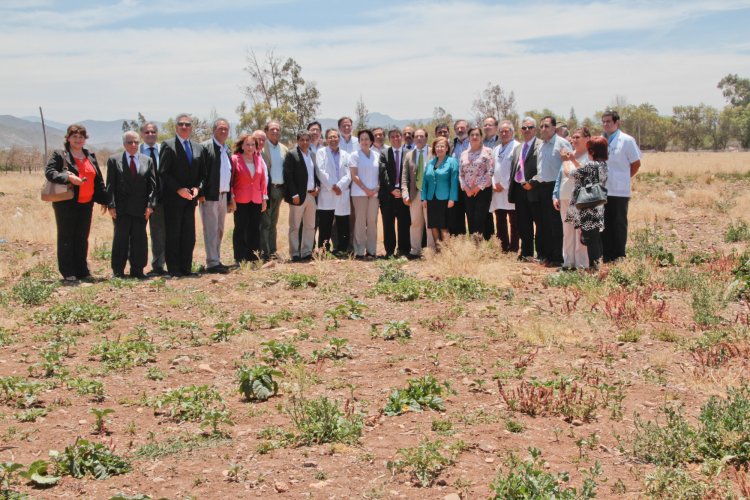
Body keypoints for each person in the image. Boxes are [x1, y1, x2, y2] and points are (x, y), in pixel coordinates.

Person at [45, 124, 110, 281]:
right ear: (68, 138)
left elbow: (98, 180)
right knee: (66, 237)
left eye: (81, 136)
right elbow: (50, 172)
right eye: (75, 136)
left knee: (82, 237)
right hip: (67, 203)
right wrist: (68, 177)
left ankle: (82, 271)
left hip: (86, 203)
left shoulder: (89, 155)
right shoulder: (61, 155)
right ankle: (68, 272)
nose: (78, 139)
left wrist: (104, 200)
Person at [160, 113, 206, 277]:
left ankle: (186, 268)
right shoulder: (168, 145)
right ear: (176, 127)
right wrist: (178, 189)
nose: (184, 127)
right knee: (173, 234)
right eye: (181, 124)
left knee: (189, 235)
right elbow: (163, 173)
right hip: (173, 199)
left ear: (191, 127)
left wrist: (197, 188)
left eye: (187, 124)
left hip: (190, 200)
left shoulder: (198, 148)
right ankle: (174, 269)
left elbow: (202, 174)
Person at [106, 131, 156, 279]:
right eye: (129, 142)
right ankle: (118, 271)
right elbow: (110, 185)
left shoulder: (147, 160)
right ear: (124, 144)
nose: (133, 145)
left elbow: (152, 186)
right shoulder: (114, 160)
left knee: (140, 239)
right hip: (121, 209)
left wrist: (150, 205)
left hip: (141, 209)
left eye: (135, 142)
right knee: (120, 239)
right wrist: (111, 205)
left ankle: (138, 270)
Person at [601, 109, 641, 262]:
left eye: (609, 121)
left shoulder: (627, 140)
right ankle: (606, 253)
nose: (606, 125)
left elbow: (636, 163)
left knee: (618, 222)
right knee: (604, 222)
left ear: (617, 122)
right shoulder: (601, 140)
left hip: (619, 190)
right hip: (603, 189)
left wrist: (624, 177)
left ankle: (619, 254)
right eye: (603, 122)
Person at [535, 116, 572, 267]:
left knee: (556, 223)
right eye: (542, 126)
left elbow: (568, 165)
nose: (543, 129)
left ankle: (558, 257)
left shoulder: (562, 144)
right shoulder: (541, 145)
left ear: (554, 128)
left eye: (546, 126)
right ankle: (548, 255)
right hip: (542, 187)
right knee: (544, 223)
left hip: (555, 187)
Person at [568, 136, 609, 271]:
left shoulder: (591, 165)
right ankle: (598, 266)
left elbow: (571, 173)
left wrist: (565, 161)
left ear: (592, 151)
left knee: (590, 238)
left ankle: (594, 267)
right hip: (597, 205)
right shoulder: (603, 165)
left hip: (588, 206)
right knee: (595, 237)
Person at [199, 118, 233, 274]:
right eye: (220, 128)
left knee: (219, 229)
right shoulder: (206, 147)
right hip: (210, 196)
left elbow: (229, 174)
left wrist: (230, 197)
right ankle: (212, 262)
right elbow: (200, 172)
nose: (223, 131)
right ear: (214, 130)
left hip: (223, 195)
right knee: (211, 230)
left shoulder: (226, 149)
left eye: (226, 129)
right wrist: (200, 193)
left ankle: (216, 259)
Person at [554, 127, 591, 270]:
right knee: (567, 231)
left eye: (578, 137)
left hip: (580, 198)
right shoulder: (570, 155)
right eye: (573, 137)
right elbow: (561, 176)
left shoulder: (589, 156)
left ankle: (581, 264)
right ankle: (568, 263)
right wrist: (555, 195)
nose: (574, 140)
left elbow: (583, 174)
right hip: (564, 197)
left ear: (587, 139)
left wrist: (572, 160)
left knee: (579, 232)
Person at [230, 133, 267, 263]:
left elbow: (262, 180)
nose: (250, 147)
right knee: (241, 228)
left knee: (254, 228)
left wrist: (264, 198)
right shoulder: (235, 159)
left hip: (256, 199)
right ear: (242, 145)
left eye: (253, 144)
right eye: (247, 144)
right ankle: (240, 257)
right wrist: (232, 197)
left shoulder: (258, 159)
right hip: (240, 200)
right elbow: (231, 180)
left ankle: (253, 256)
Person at [508, 117, 540, 261]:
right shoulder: (518, 148)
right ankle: (526, 253)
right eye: (524, 128)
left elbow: (542, 169)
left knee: (539, 223)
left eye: (530, 127)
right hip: (519, 190)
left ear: (535, 129)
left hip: (535, 189)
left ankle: (541, 253)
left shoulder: (541, 145)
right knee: (523, 224)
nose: (527, 130)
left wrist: (533, 183)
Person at [283, 130, 319, 261]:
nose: (305, 142)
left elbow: (315, 175)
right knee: (295, 226)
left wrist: (317, 187)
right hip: (298, 196)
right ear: (297, 141)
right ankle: (294, 253)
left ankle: (307, 252)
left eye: (307, 140)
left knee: (310, 226)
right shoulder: (292, 154)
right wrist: (294, 194)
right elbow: (288, 176)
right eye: (302, 140)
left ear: (310, 141)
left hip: (311, 196)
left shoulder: (312, 155)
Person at [316, 128, 351, 254]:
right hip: (327, 192)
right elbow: (321, 172)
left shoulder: (346, 155)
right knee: (325, 223)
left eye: (335, 137)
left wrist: (340, 186)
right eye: (330, 137)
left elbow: (349, 174)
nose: (333, 139)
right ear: (326, 139)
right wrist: (333, 186)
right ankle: (324, 250)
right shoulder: (321, 153)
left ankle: (342, 249)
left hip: (342, 192)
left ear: (339, 138)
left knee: (343, 223)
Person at [401, 128, 434, 257]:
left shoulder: (434, 152)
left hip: (430, 194)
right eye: (417, 136)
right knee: (415, 223)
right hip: (414, 194)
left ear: (426, 137)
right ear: (413, 139)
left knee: (430, 223)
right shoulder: (409, 155)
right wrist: (405, 193)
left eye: (421, 136)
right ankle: (415, 250)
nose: (419, 139)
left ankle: (430, 251)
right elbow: (404, 177)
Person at [378, 128, 411, 258]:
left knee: (404, 223)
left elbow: (410, 174)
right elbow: (383, 173)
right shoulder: (384, 153)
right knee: (388, 224)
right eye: (393, 137)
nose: (396, 139)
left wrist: (404, 190)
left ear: (401, 137)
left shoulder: (409, 153)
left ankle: (403, 250)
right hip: (388, 195)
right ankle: (390, 251)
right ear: (389, 139)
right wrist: (391, 189)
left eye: (398, 136)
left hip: (404, 194)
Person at [422, 137, 459, 248]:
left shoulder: (452, 162)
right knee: (433, 226)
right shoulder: (430, 163)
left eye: (442, 146)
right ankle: (438, 251)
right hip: (431, 198)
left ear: (447, 148)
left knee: (444, 226)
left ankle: (447, 253)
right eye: (437, 146)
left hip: (445, 199)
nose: (439, 148)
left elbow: (454, 181)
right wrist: (423, 198)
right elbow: (425, 181)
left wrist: (452, 198)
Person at [349, 129, 380, 259]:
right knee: (360, 221)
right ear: (359, 141)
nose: (364, 141)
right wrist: (365, 189)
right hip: (359, 193)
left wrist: (376, 189)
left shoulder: (377, 155)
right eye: (362, 139)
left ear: (371, 141)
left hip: (374, 194)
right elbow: (354, 175)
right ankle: (360, 250)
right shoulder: (355, 155)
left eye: (367, 139)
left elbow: (380, 175)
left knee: (372, 221)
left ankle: (371, 250)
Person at [139, 121, 166, 276]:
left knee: (159, 233)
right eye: (147, 132)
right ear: (142, 134)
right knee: (139, 233)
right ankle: (138, 267)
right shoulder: (137, 150)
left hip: (161, 199)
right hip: (141, 199)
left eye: (153, 132)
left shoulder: (164, 150)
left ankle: (158, 265)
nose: (150, 135)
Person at [490, 120, 520, 253]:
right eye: (501, 131)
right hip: (497, 190)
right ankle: (503, 247)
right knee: (500, 220)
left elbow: (517, 169)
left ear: (512, 132)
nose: (503, 133)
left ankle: (514, 249)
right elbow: (491, 169)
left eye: (506, 131)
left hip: (511, 190)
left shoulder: (517, 147)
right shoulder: (496, 149)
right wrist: (493, 184)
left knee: (514, 221)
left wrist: (503, 184)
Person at [459, 127, 494, 239]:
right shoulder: (464, 154)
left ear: (481, 137)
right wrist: (466, 189)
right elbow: (460, 174)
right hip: (468, 192)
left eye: (477, 135)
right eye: (472, 135)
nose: (474, 137)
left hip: (482, 191)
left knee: (480, 219)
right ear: (468, 138)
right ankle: (473, 248)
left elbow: (490, 171)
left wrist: (478, 187)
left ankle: (480, 248)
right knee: (470, 219)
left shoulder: (487, 151)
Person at [260, 121, 288, 260]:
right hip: (267, 189)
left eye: (277, 129)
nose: (275, 131)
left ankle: (272, 250)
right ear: (266, 131)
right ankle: (264, 252)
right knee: (265, 222)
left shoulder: (284, 148)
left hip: (279, 190)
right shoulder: (262, 147)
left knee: (273, 222)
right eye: (272, 129)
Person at [450, 119, 470, 236]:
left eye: (462, 127)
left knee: (472, 215)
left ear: (467, 128)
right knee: (457, 216)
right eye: (457, 128)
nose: (460, 130)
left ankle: (476, 245)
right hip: (455, 184)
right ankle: (460, 244)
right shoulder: (452, 144)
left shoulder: (473, 142)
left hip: (470, 185)